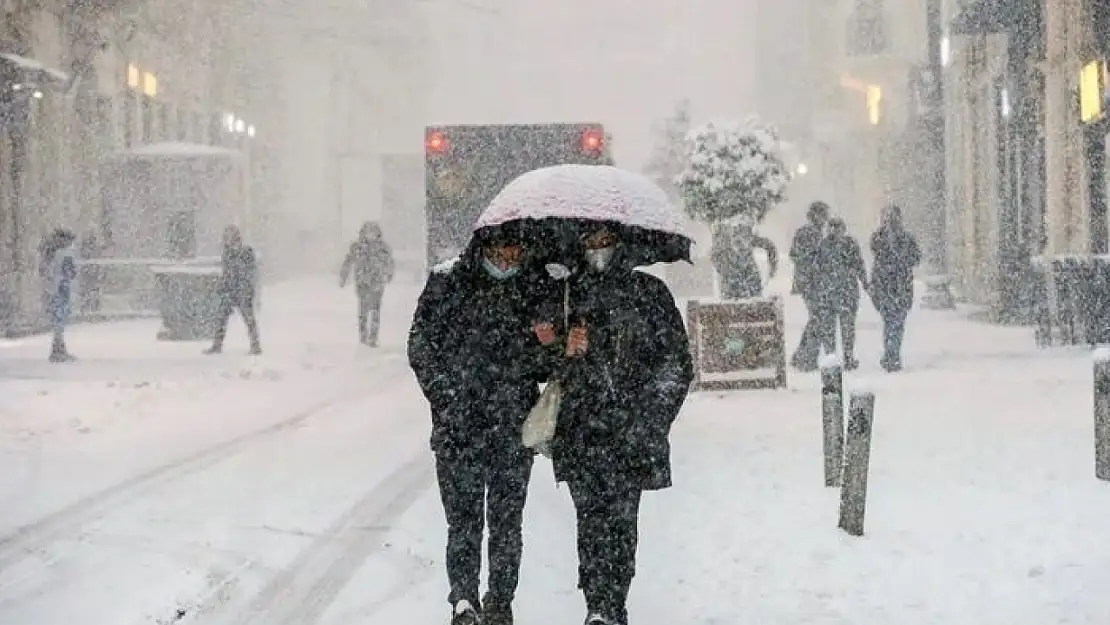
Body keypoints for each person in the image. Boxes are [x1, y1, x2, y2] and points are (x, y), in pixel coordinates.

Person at [539, 222, 693, 625]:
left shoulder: (650, 295)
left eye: (605, 241)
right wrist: (562, 349)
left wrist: (650, 417)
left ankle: (612, 604)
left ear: (621, 244)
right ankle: (597, 605)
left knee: (622, 524)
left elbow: (676, 362)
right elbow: (540, 362)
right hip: (581, 431)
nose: (598, 249)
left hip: (631, 433)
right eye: (589, 242)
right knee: (590, 522)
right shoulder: (567, 296)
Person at [407, 223, 551, 625]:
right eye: (503, 253)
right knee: (464, 521)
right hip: (458, 428)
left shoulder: (535, 286)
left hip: (512, 426)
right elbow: (420, 344)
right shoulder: (447, 282)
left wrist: (546, 344)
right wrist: (446, 397)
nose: (510, 261)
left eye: (516, 254)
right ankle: (464, 600)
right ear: (484, 247)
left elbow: (546, 365)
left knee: (507, 522)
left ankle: (501, 602)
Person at [870, 204, 921, 372]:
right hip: (890, 286)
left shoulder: (903, 238)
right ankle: (892, 355)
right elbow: (914, 259)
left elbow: (915, 259)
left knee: (894, 323)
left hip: (897, 286)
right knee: (893, 323)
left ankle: (891, 355)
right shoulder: (880, 238)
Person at [817, 217, 868, 369]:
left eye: (835, 227)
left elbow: (816, 268)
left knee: (833, 328)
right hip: (844, 292)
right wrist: (864, 281)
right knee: (843, 328)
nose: (833, 230)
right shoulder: (847, 244)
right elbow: (859, 264)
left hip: (832, 292)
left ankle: (836, 358)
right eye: (832, 227)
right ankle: (844, 358)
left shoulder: (825, 245)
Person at [789, 201, 833, 370]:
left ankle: (802, 356)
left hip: (813, 282)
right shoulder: (807, 233)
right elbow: (796, 254)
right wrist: (812, 261)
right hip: (810, 283)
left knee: (817, 320)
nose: (825, 219)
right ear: (815, 215)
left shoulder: (817, 233)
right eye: (823, 215)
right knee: (818, 320)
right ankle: (806, 358)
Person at [205, 225, 261, 355]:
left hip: (242, 290)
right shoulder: (227, 253)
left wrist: (247, 287)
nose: (227, 240)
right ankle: (217, 345)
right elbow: (227, 272)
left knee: (248, 318)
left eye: (229, 236)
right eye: (226, 237)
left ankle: (255, 344)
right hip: (230, 290)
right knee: (221, 318)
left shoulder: (246, 252)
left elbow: (250, 272)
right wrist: (222, 286)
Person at [339, 221, 395, 346]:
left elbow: (390, 262)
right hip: (362, 282)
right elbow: (348, 261)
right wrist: (343, 276)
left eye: (372, 232)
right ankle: (363, 336)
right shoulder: (357, 247)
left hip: (377, 282)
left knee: (375, 310)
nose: (370, 235)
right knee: (363, 309)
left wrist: (389, 274)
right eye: (368, 232)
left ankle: (373, 337)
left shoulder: (382, 248)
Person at [710, 213, 778, 300]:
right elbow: (714, 256)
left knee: (744, 302)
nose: (739, 236)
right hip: (736, 281)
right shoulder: (724, 245)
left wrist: (772, 269)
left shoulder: (745, 241)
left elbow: (769, 247)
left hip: (744, 280)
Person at [40, 228, 78, 362]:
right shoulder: (64, 253)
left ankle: (58, 349)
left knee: (58, 320)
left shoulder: (50, 253)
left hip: (54, 289)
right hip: (61, 289)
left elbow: (44, 270)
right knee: (60, 320)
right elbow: (71, 272)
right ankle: (58, 350)